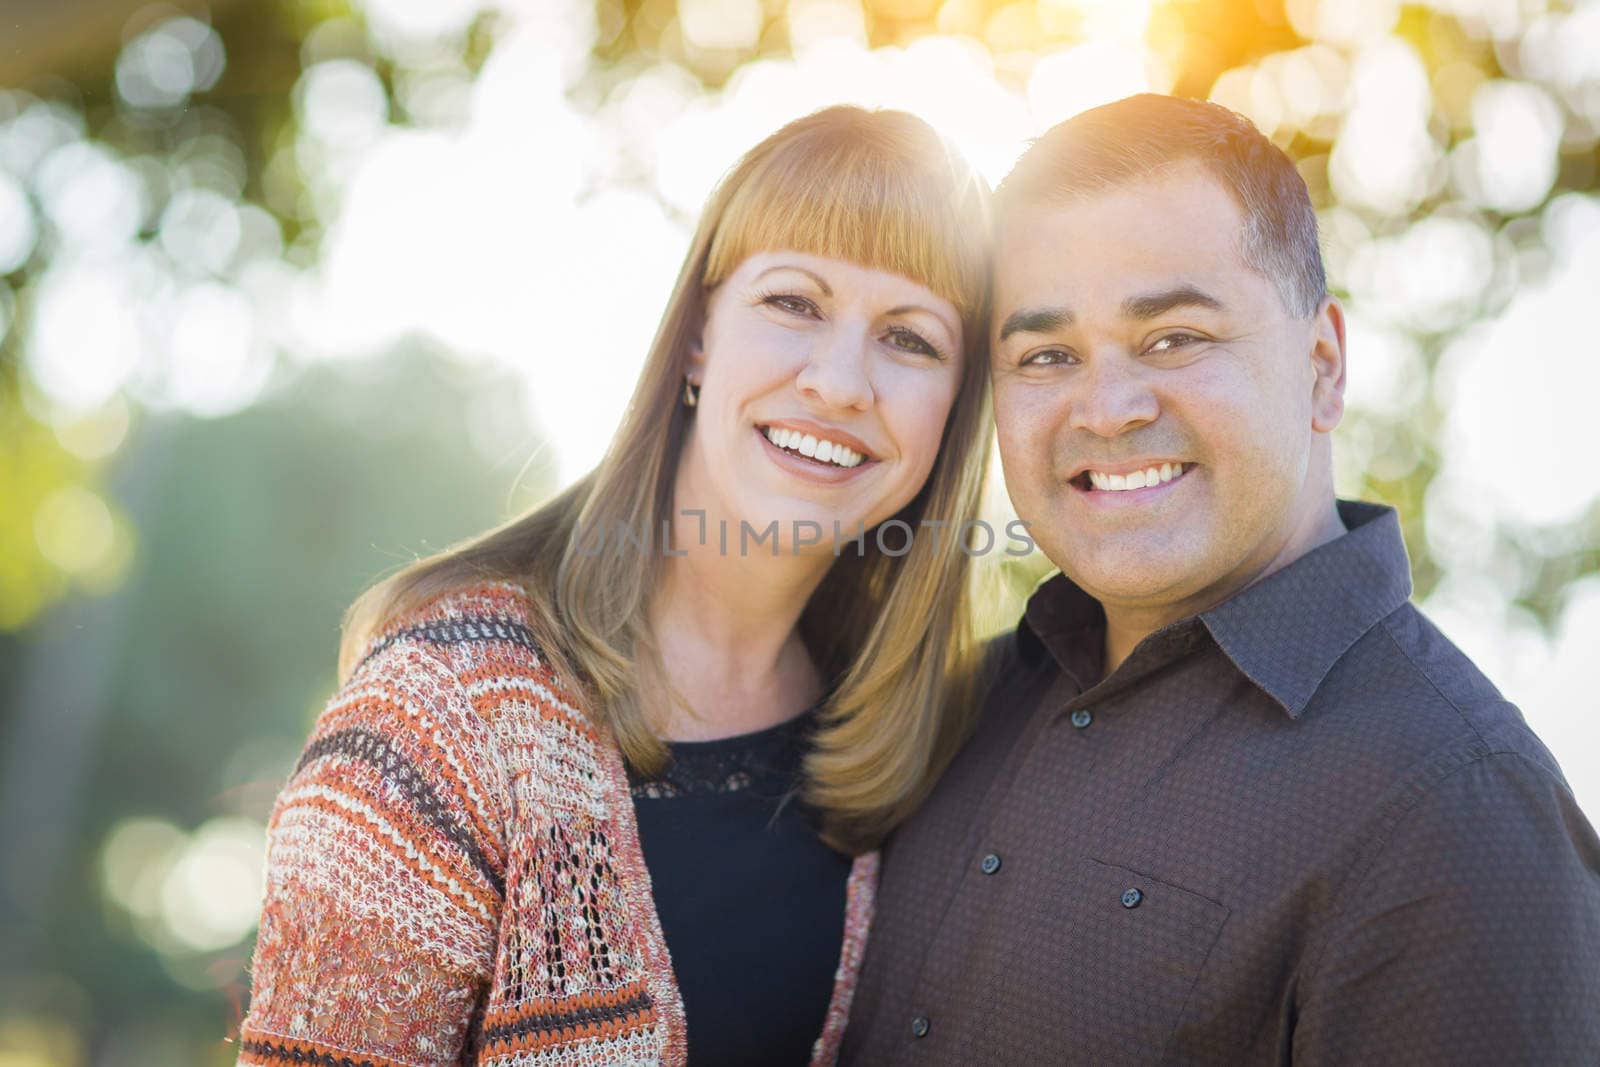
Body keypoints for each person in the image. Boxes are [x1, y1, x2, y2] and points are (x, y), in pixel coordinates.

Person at [840, 93, 1600, 1065]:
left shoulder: (1456, 802)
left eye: (1174, 338)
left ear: (1322, 365)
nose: (1106, 408)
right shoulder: (956, 707)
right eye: (1046, 354)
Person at [237, 105, 995, 1067]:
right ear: (695, 340)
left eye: (912, 339)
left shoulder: (923, 739)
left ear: (953, 415)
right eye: (794, 302)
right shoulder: (445, 707)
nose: (841, 382)